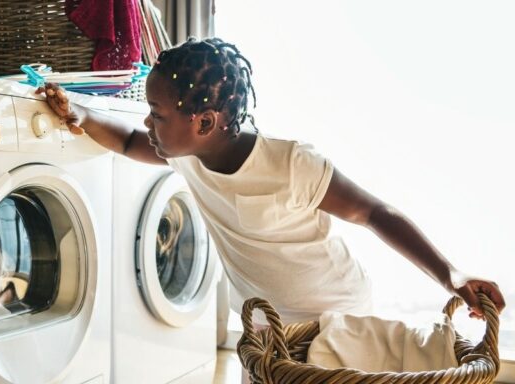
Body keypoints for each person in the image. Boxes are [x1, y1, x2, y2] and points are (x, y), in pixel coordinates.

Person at [36, 36, 506, 376]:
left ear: (204, 121)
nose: (148, 120)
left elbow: (374, 213)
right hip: (267, 327)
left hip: (333, 317)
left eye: (158, 113)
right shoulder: (187, 155)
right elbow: (126, 139)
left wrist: (451, 276)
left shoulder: (291, 163)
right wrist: (80, 114)